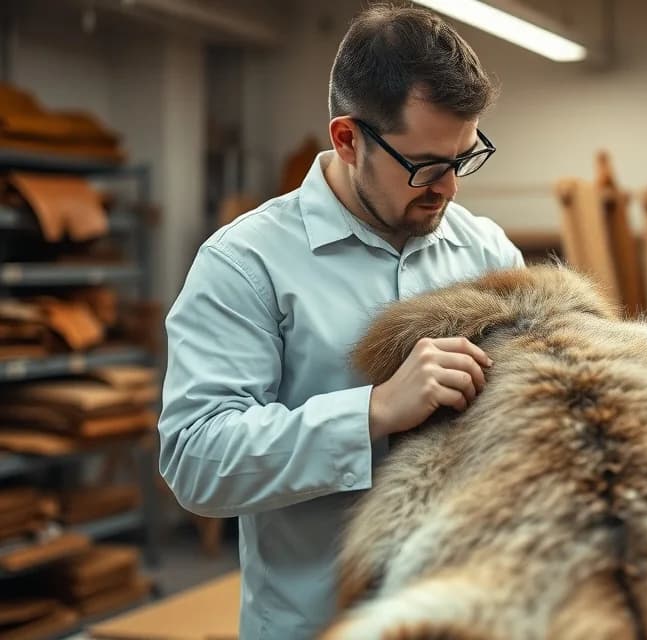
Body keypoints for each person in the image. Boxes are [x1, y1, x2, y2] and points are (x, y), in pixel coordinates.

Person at [157, 5, 524, 638]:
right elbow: (196, 460)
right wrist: (372, 412)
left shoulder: (487, 253)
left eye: (462, 159)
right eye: (424, 165)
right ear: (348, 139)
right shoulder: (246, 264)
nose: (449, 188)